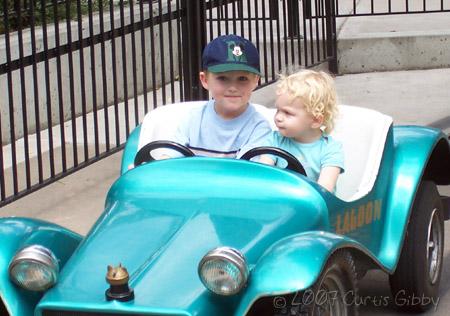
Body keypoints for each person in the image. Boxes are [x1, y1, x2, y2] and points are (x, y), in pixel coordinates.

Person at [169, 34, 271, 158]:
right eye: (222, 78)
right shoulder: (192, 119)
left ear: (256, 80)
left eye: (242, 78)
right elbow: (169, 161)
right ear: (205, 79)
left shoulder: (258, 127)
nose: (233, 88)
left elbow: (248, 173)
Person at [260, 70, 344, 192]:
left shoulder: (330, 150)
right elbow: (264, 177)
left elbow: (324, 192)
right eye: (278, 110)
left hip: (314, 208)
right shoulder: (274, 140)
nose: (278, 117)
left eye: (287, 113)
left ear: (315, 120)